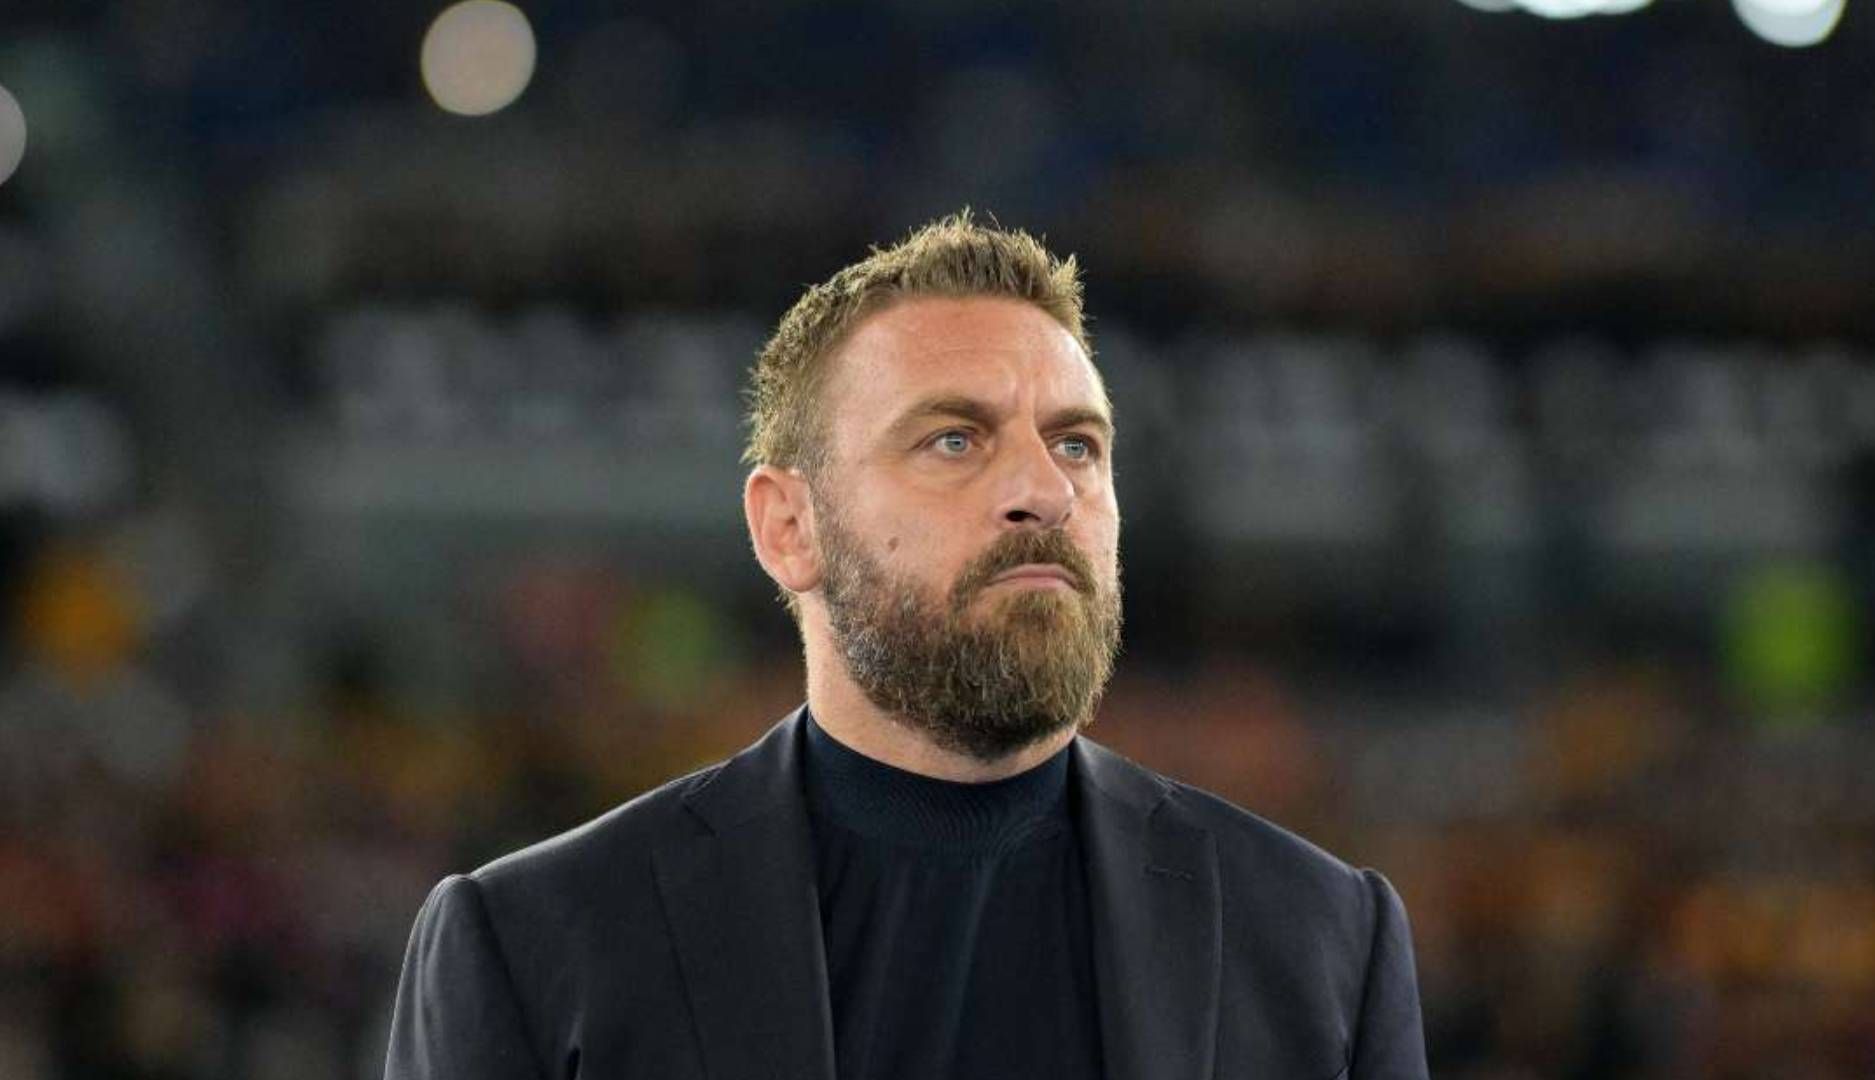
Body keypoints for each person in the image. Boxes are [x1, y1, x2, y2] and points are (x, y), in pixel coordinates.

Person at [383, 212, 1429, 1080]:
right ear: (789, 528)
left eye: (1076, 443)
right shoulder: (535, 944)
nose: (1044, 491)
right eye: (953, 439)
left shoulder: (1324, 941)